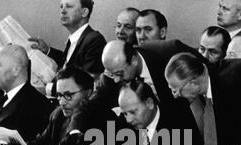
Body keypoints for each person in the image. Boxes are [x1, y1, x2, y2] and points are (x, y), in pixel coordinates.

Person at [68, 40, 200, 136]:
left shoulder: (168, 52)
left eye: (119, 73)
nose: (116, 79)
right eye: (112, 74)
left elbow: (208, 71)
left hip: (188, 124)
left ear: (134, 60)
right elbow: (88, 107)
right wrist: (74, 133)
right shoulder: (112, 74)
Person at [111, 80, 203, 145]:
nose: (129, 119)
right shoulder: (124, 124)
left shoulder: (178, 120)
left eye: (133, 112)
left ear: (150, 103)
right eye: (125, 114)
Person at [28, 66, 94, 145]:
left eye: (68, 95)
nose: (62, 102)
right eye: (59, 95)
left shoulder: (98, 119)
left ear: (88, 93)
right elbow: (39, 144)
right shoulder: (58, 115)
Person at [29, 0, 106, 78]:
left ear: (84, 12)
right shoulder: (75, 39)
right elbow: (68, 64)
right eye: (61, 6)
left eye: (69, 6)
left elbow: (86, 82)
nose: (62, 11)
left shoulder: (95, 40)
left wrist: (51, 88)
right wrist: (47, 50)